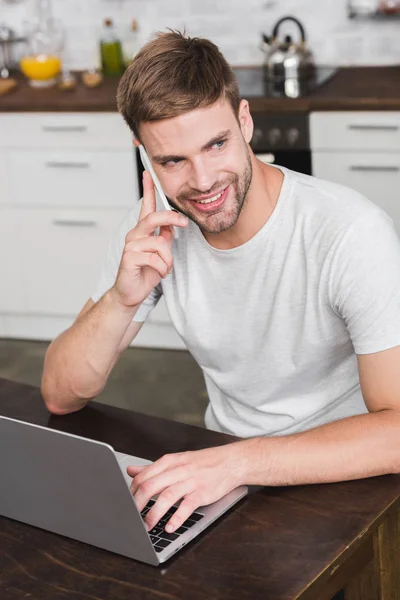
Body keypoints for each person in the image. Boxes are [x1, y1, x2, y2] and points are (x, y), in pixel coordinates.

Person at [41, 31, 400, 536]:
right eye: (173, 161)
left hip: (348, 482)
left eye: (216, 144)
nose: (204, 180)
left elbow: (397, 432)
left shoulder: (349, 232)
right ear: (143, 154)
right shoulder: (152, 228)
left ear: (245, 121)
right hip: (227, 480)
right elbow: (61, 394)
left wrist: (236, 464)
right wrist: (123, 300)